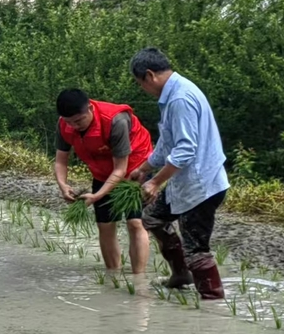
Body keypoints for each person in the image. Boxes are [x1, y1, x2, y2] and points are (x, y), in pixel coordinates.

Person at [129, 47, 229, 300]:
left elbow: (185, 150)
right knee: (151, 217)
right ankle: (181, 274)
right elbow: (166, 144)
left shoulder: (180, 99)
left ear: (149, 75)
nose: (144, 89)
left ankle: (212, 301)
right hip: (184, 184)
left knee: (196, 247)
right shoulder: (172, 94)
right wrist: (144, 168)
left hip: (201, 186)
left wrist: (154, 183)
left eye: (141, 84)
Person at [54, 89, 154, 274]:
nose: (74, 126)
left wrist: (97, 196)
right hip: (103, 171)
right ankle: (113, 275)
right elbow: (61, 160)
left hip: (135, 168)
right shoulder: (64, 124)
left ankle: (138, 278)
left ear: (90, 108)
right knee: (105, 224)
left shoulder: (116, 121)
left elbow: (120, 169)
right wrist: (63, 184)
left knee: (135, 222)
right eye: (69, 122)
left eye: (79, 120)